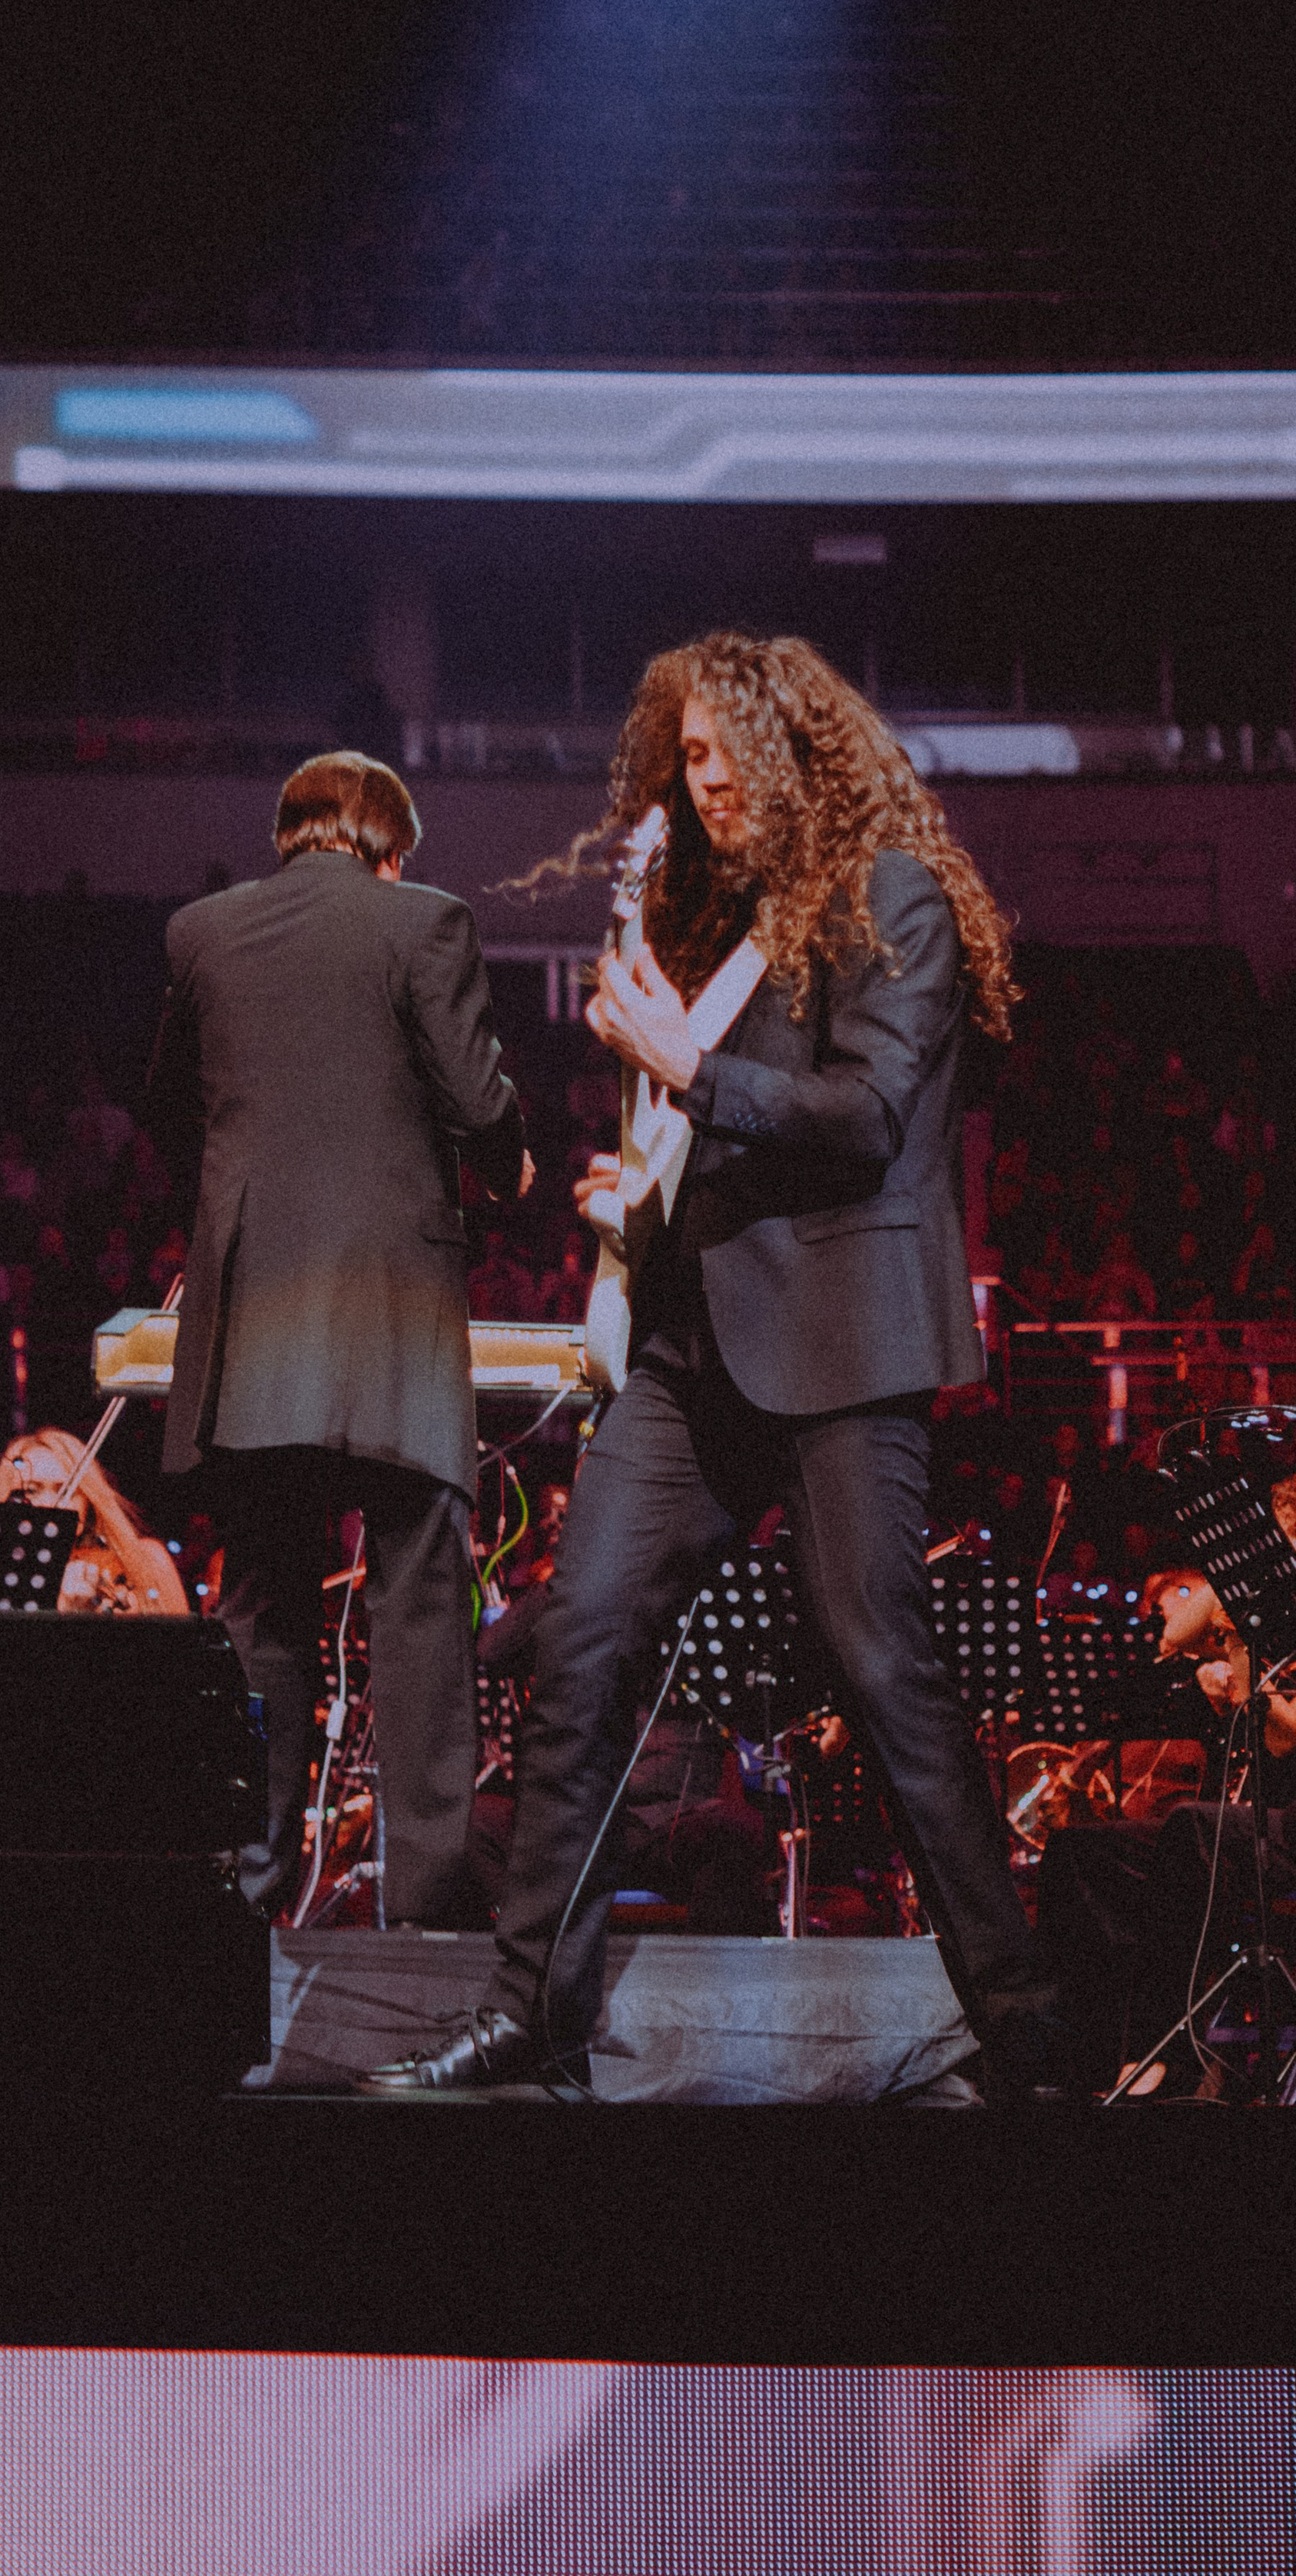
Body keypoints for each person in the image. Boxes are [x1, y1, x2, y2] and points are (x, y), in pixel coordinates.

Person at [363, 633, 1059, 2098]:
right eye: (685, 756)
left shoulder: (894, 898)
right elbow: (740, 1129)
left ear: (800, 751)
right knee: (585, 1643)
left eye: (728, 749)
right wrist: (654, 1190)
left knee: (889, 1677)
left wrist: (685, 1068)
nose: (708, 778)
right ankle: (526, 2010)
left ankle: (1029, 2027)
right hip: (692, 1355)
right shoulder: (722, 922)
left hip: (842, 1349)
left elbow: (865, 1116)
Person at [146, 750, 529, 1926]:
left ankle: (250, 1896)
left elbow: (170, 1105)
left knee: (263, 1611)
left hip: (258, 1318)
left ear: (289, 836)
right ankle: (422, 1907)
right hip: (395, 1323)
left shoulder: (200, 934)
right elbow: (475, 1100)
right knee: (418, 1610)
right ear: (391, 846)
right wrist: (506, 1163)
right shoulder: (427, 923)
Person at [1036, 1462, 1296, 2097]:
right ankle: (1077, 2050)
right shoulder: (1291, 1617)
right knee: (1082, 1852)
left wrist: (1243, 1663)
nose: (1292, 1555)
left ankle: (1169, 2049)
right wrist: (1235, 1573)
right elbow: (1176, 1634)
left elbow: (1293, 1729)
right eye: (1284, 1536)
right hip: (1257, 1822)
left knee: (1193, 1828)